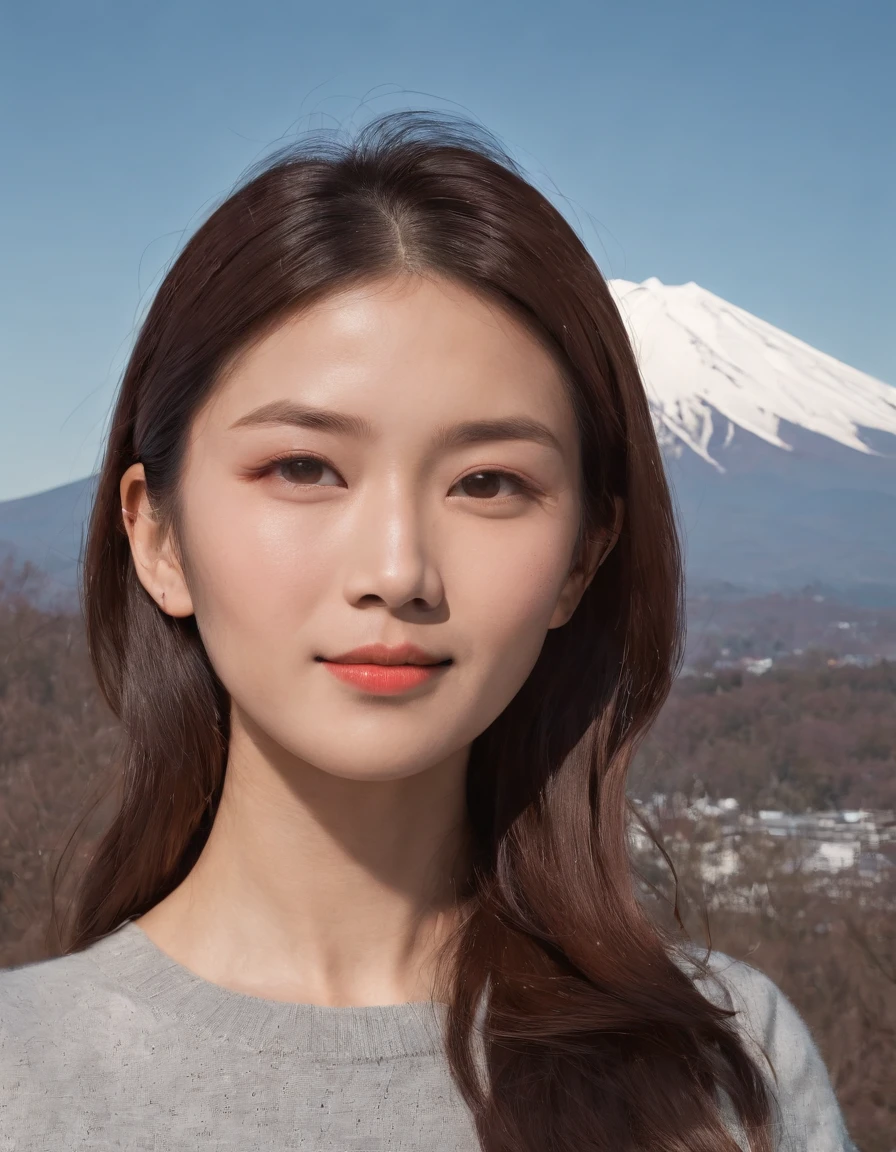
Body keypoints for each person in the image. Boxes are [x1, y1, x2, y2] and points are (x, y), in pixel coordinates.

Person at [0, 111, 856, 1152]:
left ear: (580, 561)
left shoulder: (727, 1073)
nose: (396, 572)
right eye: (304, 469)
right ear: (157, 536)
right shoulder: (21, 1078)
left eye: (487, 483)